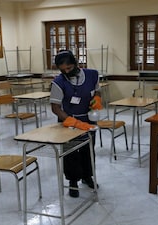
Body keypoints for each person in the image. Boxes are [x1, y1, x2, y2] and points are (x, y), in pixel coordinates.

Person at [50, 50, 103, 198]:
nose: (66, 72)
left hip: (88, 119)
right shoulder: (59, 82)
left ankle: (87, 177)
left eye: (69, 68)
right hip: (69, 121)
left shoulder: (92, 75)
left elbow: (97, 91)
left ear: (76, 63)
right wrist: (69, 121)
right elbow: (55, 107)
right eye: (63, 70)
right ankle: (73, 182)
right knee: (70, 152)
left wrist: (97, 100)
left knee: (88, 149)